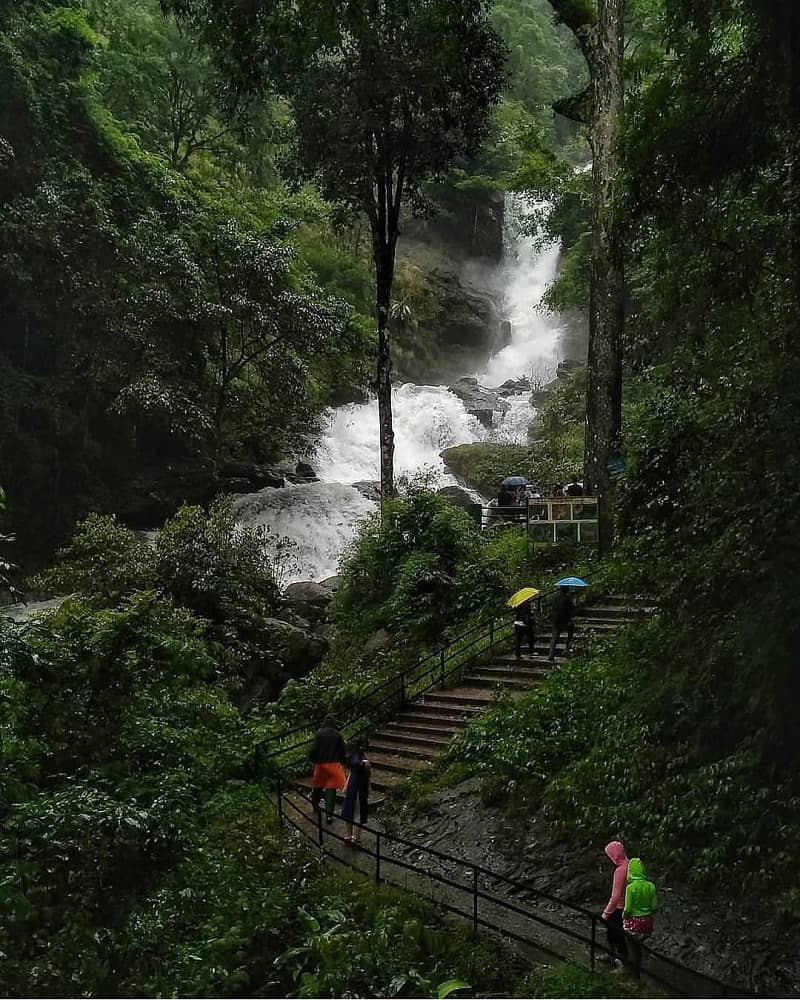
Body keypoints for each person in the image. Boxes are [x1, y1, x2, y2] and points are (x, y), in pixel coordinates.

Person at [309, 715, 347, 823]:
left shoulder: (319, 734)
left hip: (320, 764)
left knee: (317, 786)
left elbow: (313, 749)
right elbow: (342, 750)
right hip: (334, 764)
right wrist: (343, 762)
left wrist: (313, 760)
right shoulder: (338, 735)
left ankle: (315, 807)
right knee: (331, 789)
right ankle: (329, 815)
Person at [623, 857, 657, 972]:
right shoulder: (651, 886)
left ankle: (633, 973)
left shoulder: (630, 888)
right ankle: (637, 968)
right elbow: (654, 907)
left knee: (632, 946)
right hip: (647, 922)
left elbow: (627, 909)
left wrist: (624, 916)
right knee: (638, 947)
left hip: (634, 922)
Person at [601, 840, 630, 964]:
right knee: (613, 933)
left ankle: (622, 962)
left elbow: (615, 895)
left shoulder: (620, 871)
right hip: (628, 906)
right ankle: (612, 955)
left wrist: (606, 913)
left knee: (616, 935)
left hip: (619, 907)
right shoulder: (630, 865)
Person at [341, 738, 371, 844]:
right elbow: (355, 764)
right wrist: (363, 763)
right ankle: (354, 837)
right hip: (358, 787)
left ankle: (349, 835)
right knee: (357, 812)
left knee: (351, 811)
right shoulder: (358, 755)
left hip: (355, 786)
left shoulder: (356, 755)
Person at [547, 585, 575, 661]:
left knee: (554, 638)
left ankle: (551, 654)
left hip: (555, 619)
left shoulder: (555, 597)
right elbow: (570, 609)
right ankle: (567, 648)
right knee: (571, 631)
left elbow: (553, 607)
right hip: (564, 620)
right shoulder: (567, 599)